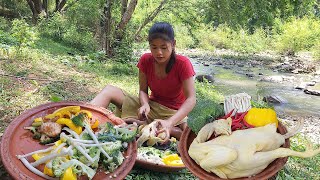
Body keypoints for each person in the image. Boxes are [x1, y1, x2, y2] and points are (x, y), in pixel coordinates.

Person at [90, 22, 196, 141]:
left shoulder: (183, 64)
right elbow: (143, 90)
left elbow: (191, 99)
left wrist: (170, 122)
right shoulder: (146, 60)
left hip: (173, 113)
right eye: (154, 47)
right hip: (151, 107)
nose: (159, 52)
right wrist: (145, 104)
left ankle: (167, 129)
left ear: (173, 44)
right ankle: (85, 121)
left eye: (164, 47)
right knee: (109, 91)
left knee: (191, 135)